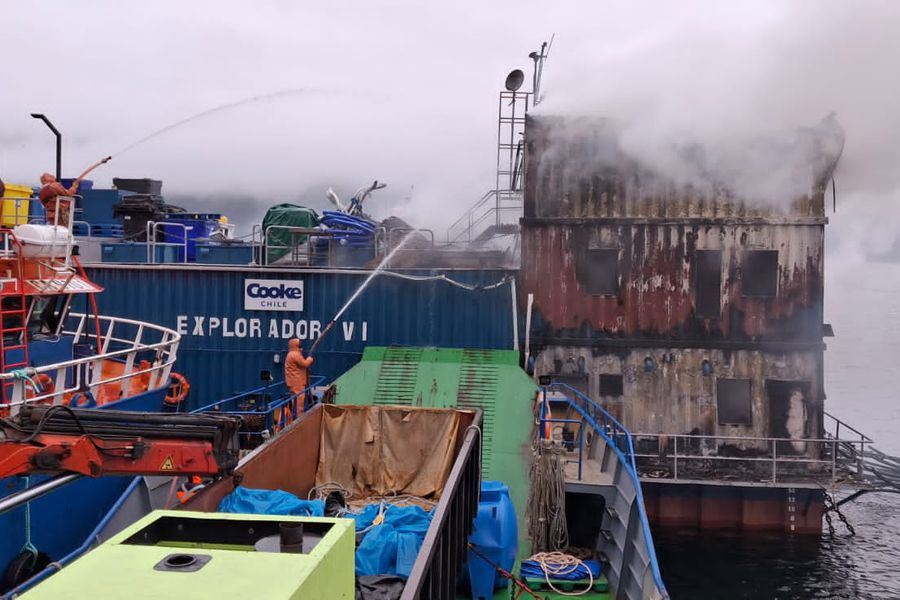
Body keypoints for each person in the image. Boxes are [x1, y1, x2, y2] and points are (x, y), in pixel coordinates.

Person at [284, 338, 314, 412]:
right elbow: (304, 364)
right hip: (297, 381)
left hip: (292, 381)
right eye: (299, 345)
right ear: (296, 345)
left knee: (294, 401)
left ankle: (295, 417)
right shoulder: (295, 354)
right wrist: (310, 359)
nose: (301, 347)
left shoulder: (290, 354)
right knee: (299, 401)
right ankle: (299, 419)